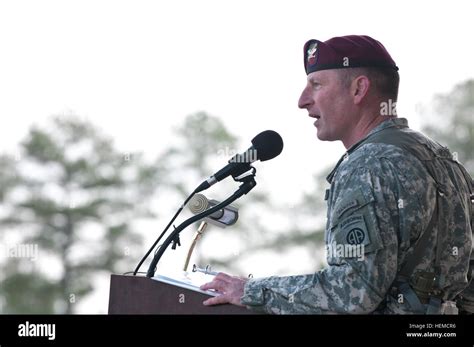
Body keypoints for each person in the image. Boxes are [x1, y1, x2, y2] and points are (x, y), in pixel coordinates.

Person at [200, 35, 473, 314]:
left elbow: (352, 293)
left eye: (316, 85)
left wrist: (251, 291)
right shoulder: (444, 160)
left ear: (358, 89)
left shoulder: (369, 164)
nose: (302, 101)